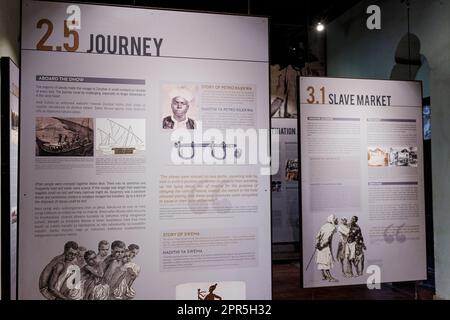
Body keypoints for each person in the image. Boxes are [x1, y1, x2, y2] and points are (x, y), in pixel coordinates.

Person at [315, 214, 338, 282]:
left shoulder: (324, 226)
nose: (337, 220)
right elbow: (328, 239)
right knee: (326, 261)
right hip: (324, 247)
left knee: (321, 261)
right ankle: (330, 277)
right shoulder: (332, 227)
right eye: (336, 219)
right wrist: (321, 246)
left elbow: (317, 236)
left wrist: (317, 244)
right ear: (332, 220)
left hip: (320, 246)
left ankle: (324, 276)